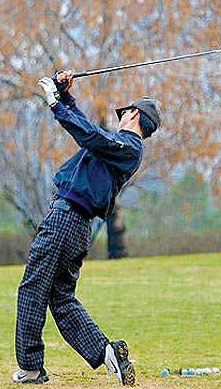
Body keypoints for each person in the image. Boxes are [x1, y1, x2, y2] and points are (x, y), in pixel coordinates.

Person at [12, 70, 160, 385]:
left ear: (133, 114)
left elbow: (89, 134)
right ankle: (107, 353)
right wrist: (65, 96)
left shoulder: (127, 146)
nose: (120, 117)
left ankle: (31, 367)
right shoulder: (117, 145)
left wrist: (55, 105)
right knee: (61, 298)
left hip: (66, 219)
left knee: (31, 288)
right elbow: (90, 132)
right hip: (76, 225)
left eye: (124, 113)